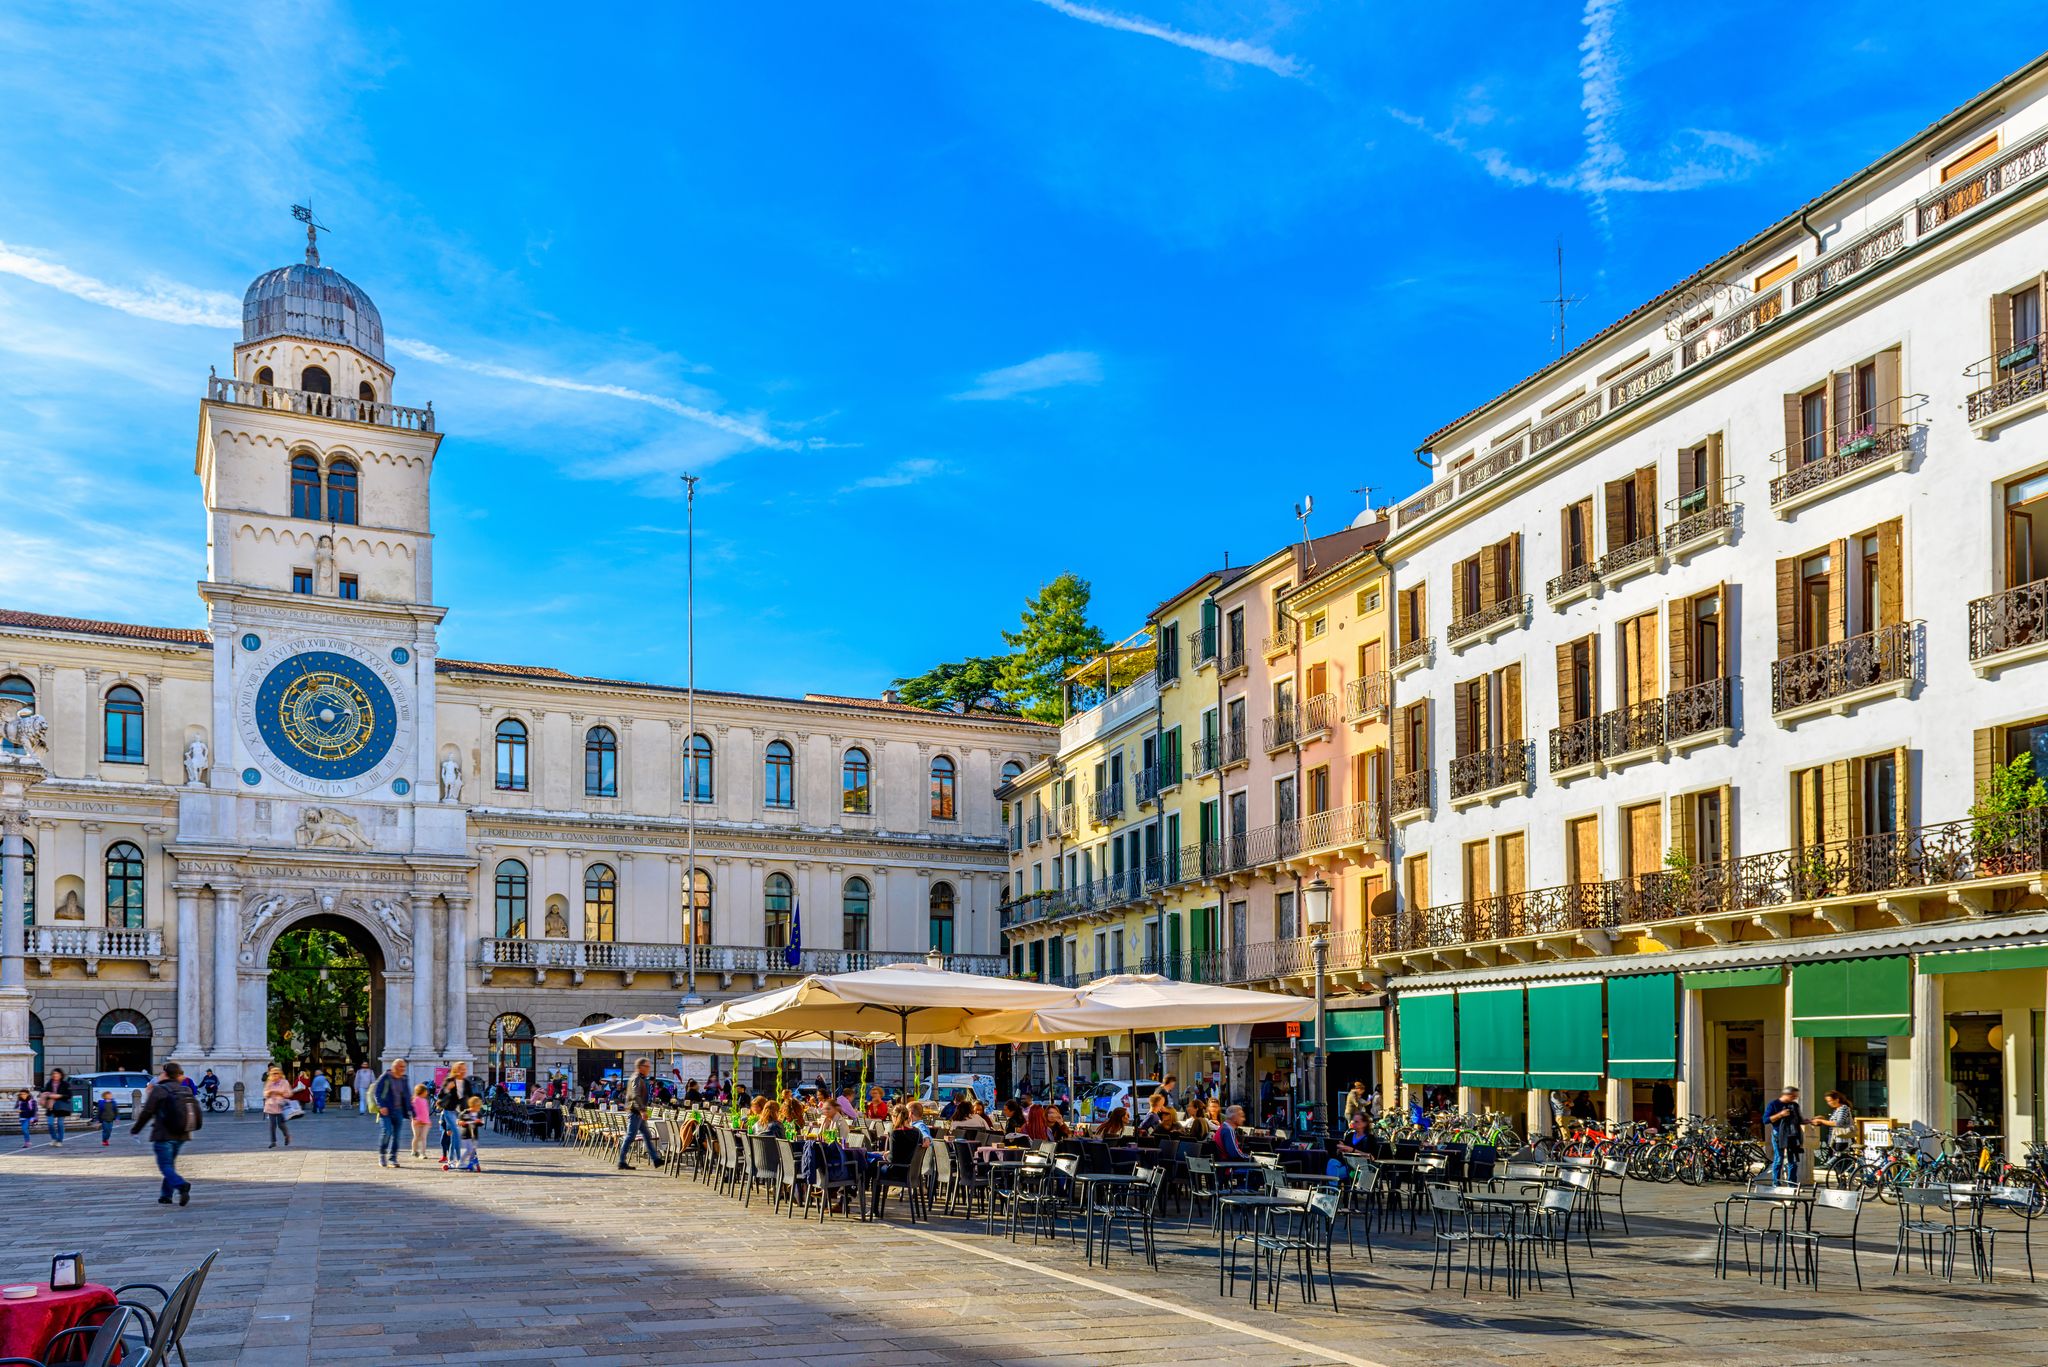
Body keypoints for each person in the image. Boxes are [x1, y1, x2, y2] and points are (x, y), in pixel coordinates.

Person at [131, 1061, 199, 1206]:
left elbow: (147, 1112)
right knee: (170, 1164)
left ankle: (181, 1185)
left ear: (165, 1074)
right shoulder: (185, 1089)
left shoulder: (159, 1090)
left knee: (165, 1165)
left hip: (164, 1134)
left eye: (162, 1072)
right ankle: (166, 1195)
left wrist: (135, 1129)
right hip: (182, 1134)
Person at [618, 1057, 664, 1170]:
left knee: (647, 1135)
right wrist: (642, 1110)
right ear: (640, 1067)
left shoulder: (640, 1078)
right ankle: (621, 1161)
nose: (649, 1069)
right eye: (647, 1066)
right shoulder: (636, 1078)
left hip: (637, 1111)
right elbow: (635, 1095)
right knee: (630, 1136)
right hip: (635, 1111)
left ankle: (656, 1160)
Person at [438, 1061, 477, 1169]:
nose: (463, 1070)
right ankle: (460, 1161)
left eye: (464, 1068)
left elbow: (470, 1097)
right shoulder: (449, 1080)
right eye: (461, 1068)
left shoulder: (466, 1082)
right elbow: (440, 1095)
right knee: (455, 1132)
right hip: (449, 1111)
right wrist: (448, 1089)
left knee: (455, 1136)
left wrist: (474, 1107)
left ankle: (451, 1161)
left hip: (461, 1112)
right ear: (456, 1070)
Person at [1763, 1085, 1805, 1184]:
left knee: (1793, 1161)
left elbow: (1799, 1120)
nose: (1795, 1098)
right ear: (1787, 1095)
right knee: (1779, 1159)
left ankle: (1792, 1183)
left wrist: (1809, 1121)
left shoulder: (1794, 1105)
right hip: (1778, 1135)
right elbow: (1766, 1120)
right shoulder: (1773, 1104)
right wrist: (1780, 1115)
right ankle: (1776, 1183)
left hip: (1792, 1135)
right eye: (1793, 1096)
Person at [372, 1058, 409, 1168]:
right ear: (394, 1067)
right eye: (400, 1067)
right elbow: (377, 1092)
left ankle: (393, 1158)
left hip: (399, 1111)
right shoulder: (386, 1077)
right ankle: (382, 1154)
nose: (402, 1069)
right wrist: (381, 1105)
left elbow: (407, 1095)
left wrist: (412, 1111)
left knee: (397, 1136)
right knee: (387, 1132)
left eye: (403, 1067)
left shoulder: (404, 1079)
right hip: (386, 1110)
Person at [1812, 1090, 1854, 1155]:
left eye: (1830, 1101)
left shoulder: (1843, 1108)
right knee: (1834, 1162)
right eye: (1827, 1101)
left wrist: (1821, 1121)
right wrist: (1823, 1119)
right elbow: (1833, 1122)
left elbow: (1838, 1123)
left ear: (1837, 1100)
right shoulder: (1837, 1109)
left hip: (1841, 1140)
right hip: (1835, 1139)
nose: (1828, 1103)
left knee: (1839, 1162)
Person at [262, 1066, 293, 1148]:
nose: (275, 1075)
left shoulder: (285, 1082)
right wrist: (269, 1092)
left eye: (277, 1073)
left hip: (281, 1106)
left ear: (280, 1074)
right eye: (273, 1074)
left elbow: (289, 1093)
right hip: (271, 1105)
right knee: (272, 1124)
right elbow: (265, 1094)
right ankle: (273, 1141)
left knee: (280, 1124)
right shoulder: (269, 1082)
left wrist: (280, 1093)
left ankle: (287, 1136)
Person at [39, 1069, 70, 1146]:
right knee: (50, 1123)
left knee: (60, 1124)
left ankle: (60, 1140)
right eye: (54, 1073)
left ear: (61, 1075)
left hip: (61, 1106)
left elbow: (69, 1095)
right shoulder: (49, 1083)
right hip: (50, 1106)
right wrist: (44, 1094)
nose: (55, 1075)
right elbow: (45, 1091)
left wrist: (59, 1096)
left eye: (57, 1073)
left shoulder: (65, 1084)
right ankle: (54, 1138)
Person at [458, 1096, 486, 1171]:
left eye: (478, 1107)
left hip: (474, 1135)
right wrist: (461, 1122)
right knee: (468, 1150)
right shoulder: (465, 1113)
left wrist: (479, 1122)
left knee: (473, 1151)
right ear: (472, 1106)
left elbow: (482, 1122)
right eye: (476, 1107)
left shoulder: (478, 1114)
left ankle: (471, 1163)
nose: (477, 1109)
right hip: (466, 1135)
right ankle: (461, 1162)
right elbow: (459, 1120)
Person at [409, 1084, 434, 1159]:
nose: (427, 1093)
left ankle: (422, 1153)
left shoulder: (425, 1101)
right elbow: (413, 1111)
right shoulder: (415, 1100)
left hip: (425, 1122)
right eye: (426, 1091)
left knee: (423, 1137)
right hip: (417, 1122)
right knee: (416, 1137)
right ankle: (414, 1150)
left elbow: (426, 1112)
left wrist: (428, 1121)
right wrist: (416, 1119)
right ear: (421, 1091)